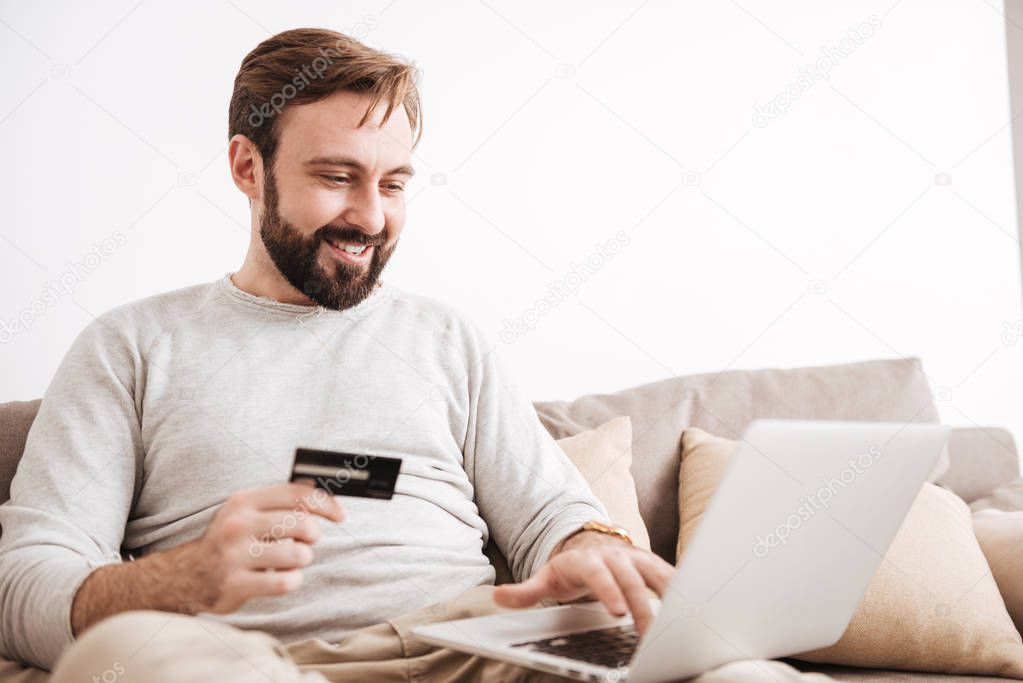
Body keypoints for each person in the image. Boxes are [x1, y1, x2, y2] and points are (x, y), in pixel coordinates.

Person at [0, 28, 673, 681]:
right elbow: (24, 586)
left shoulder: (448, 340)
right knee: (119, 665)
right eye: (336, 176)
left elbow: (549, 515)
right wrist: (178, 579)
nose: (371, 218)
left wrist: (588, 545)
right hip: (264, 663)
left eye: (392, 184)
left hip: (472, 650)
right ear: (247, 166)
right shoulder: (130, 348)